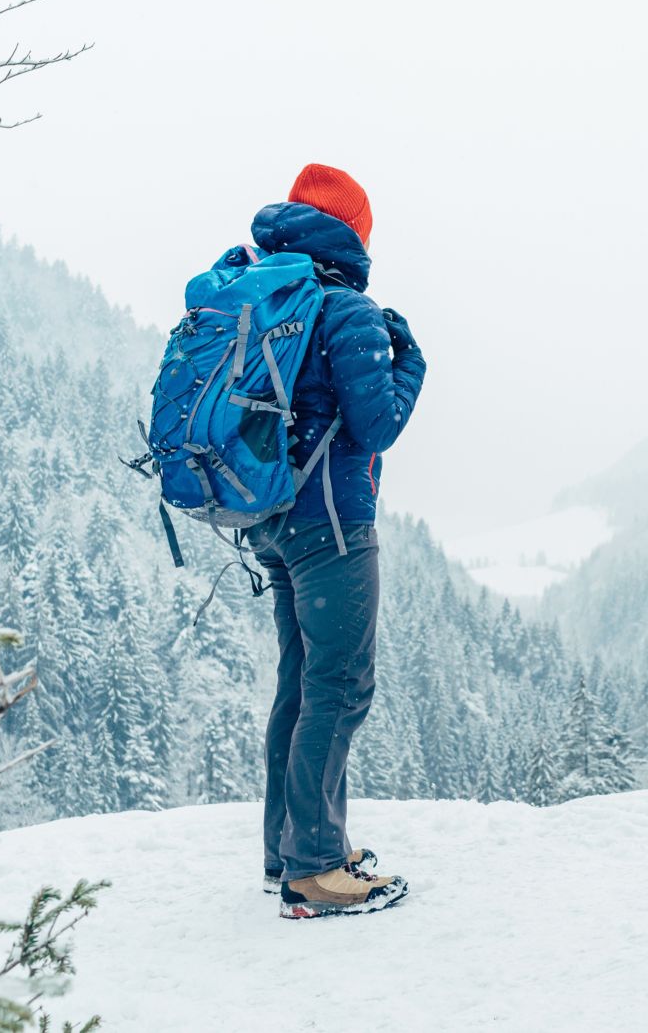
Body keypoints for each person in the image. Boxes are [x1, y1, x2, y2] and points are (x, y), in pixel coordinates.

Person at [245, 164, 426, 919]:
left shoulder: (264, 292)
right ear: (355, 231)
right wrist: (410, 361)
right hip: (332, 525)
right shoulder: (345, 307)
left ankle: (288, 851)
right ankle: (314, 867)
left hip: (273, 519)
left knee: (301, 683)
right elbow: (375, 424)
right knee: (340, 684)